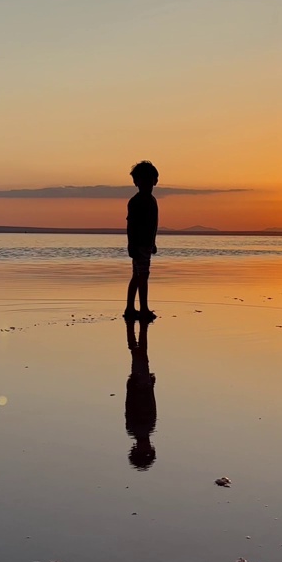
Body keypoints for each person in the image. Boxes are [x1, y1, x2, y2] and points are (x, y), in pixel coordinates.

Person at [125, 160, 159, 320]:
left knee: (138, 275)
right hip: (138, 245)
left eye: (149, 180)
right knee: (141, 276)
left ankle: (131, 309)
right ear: (136, 182)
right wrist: (131, 245)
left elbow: (153, 225)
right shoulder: (136, 201)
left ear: (155, 181)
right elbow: (131, 225)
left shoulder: (152, 200)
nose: (146, 184)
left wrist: (153, 243)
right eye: (142, 180)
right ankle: (141, 309)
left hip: (146, 244)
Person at [124, 317, 157, 470]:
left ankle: (138, 328)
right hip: (143, 385)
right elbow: (151, 406)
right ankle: (139, 328)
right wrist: (150, 388)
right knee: (140, 354)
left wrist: (132, 387)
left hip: (139, 385)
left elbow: (130, 407)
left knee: (139, 354)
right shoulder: (145, 428)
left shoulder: (135, 428)